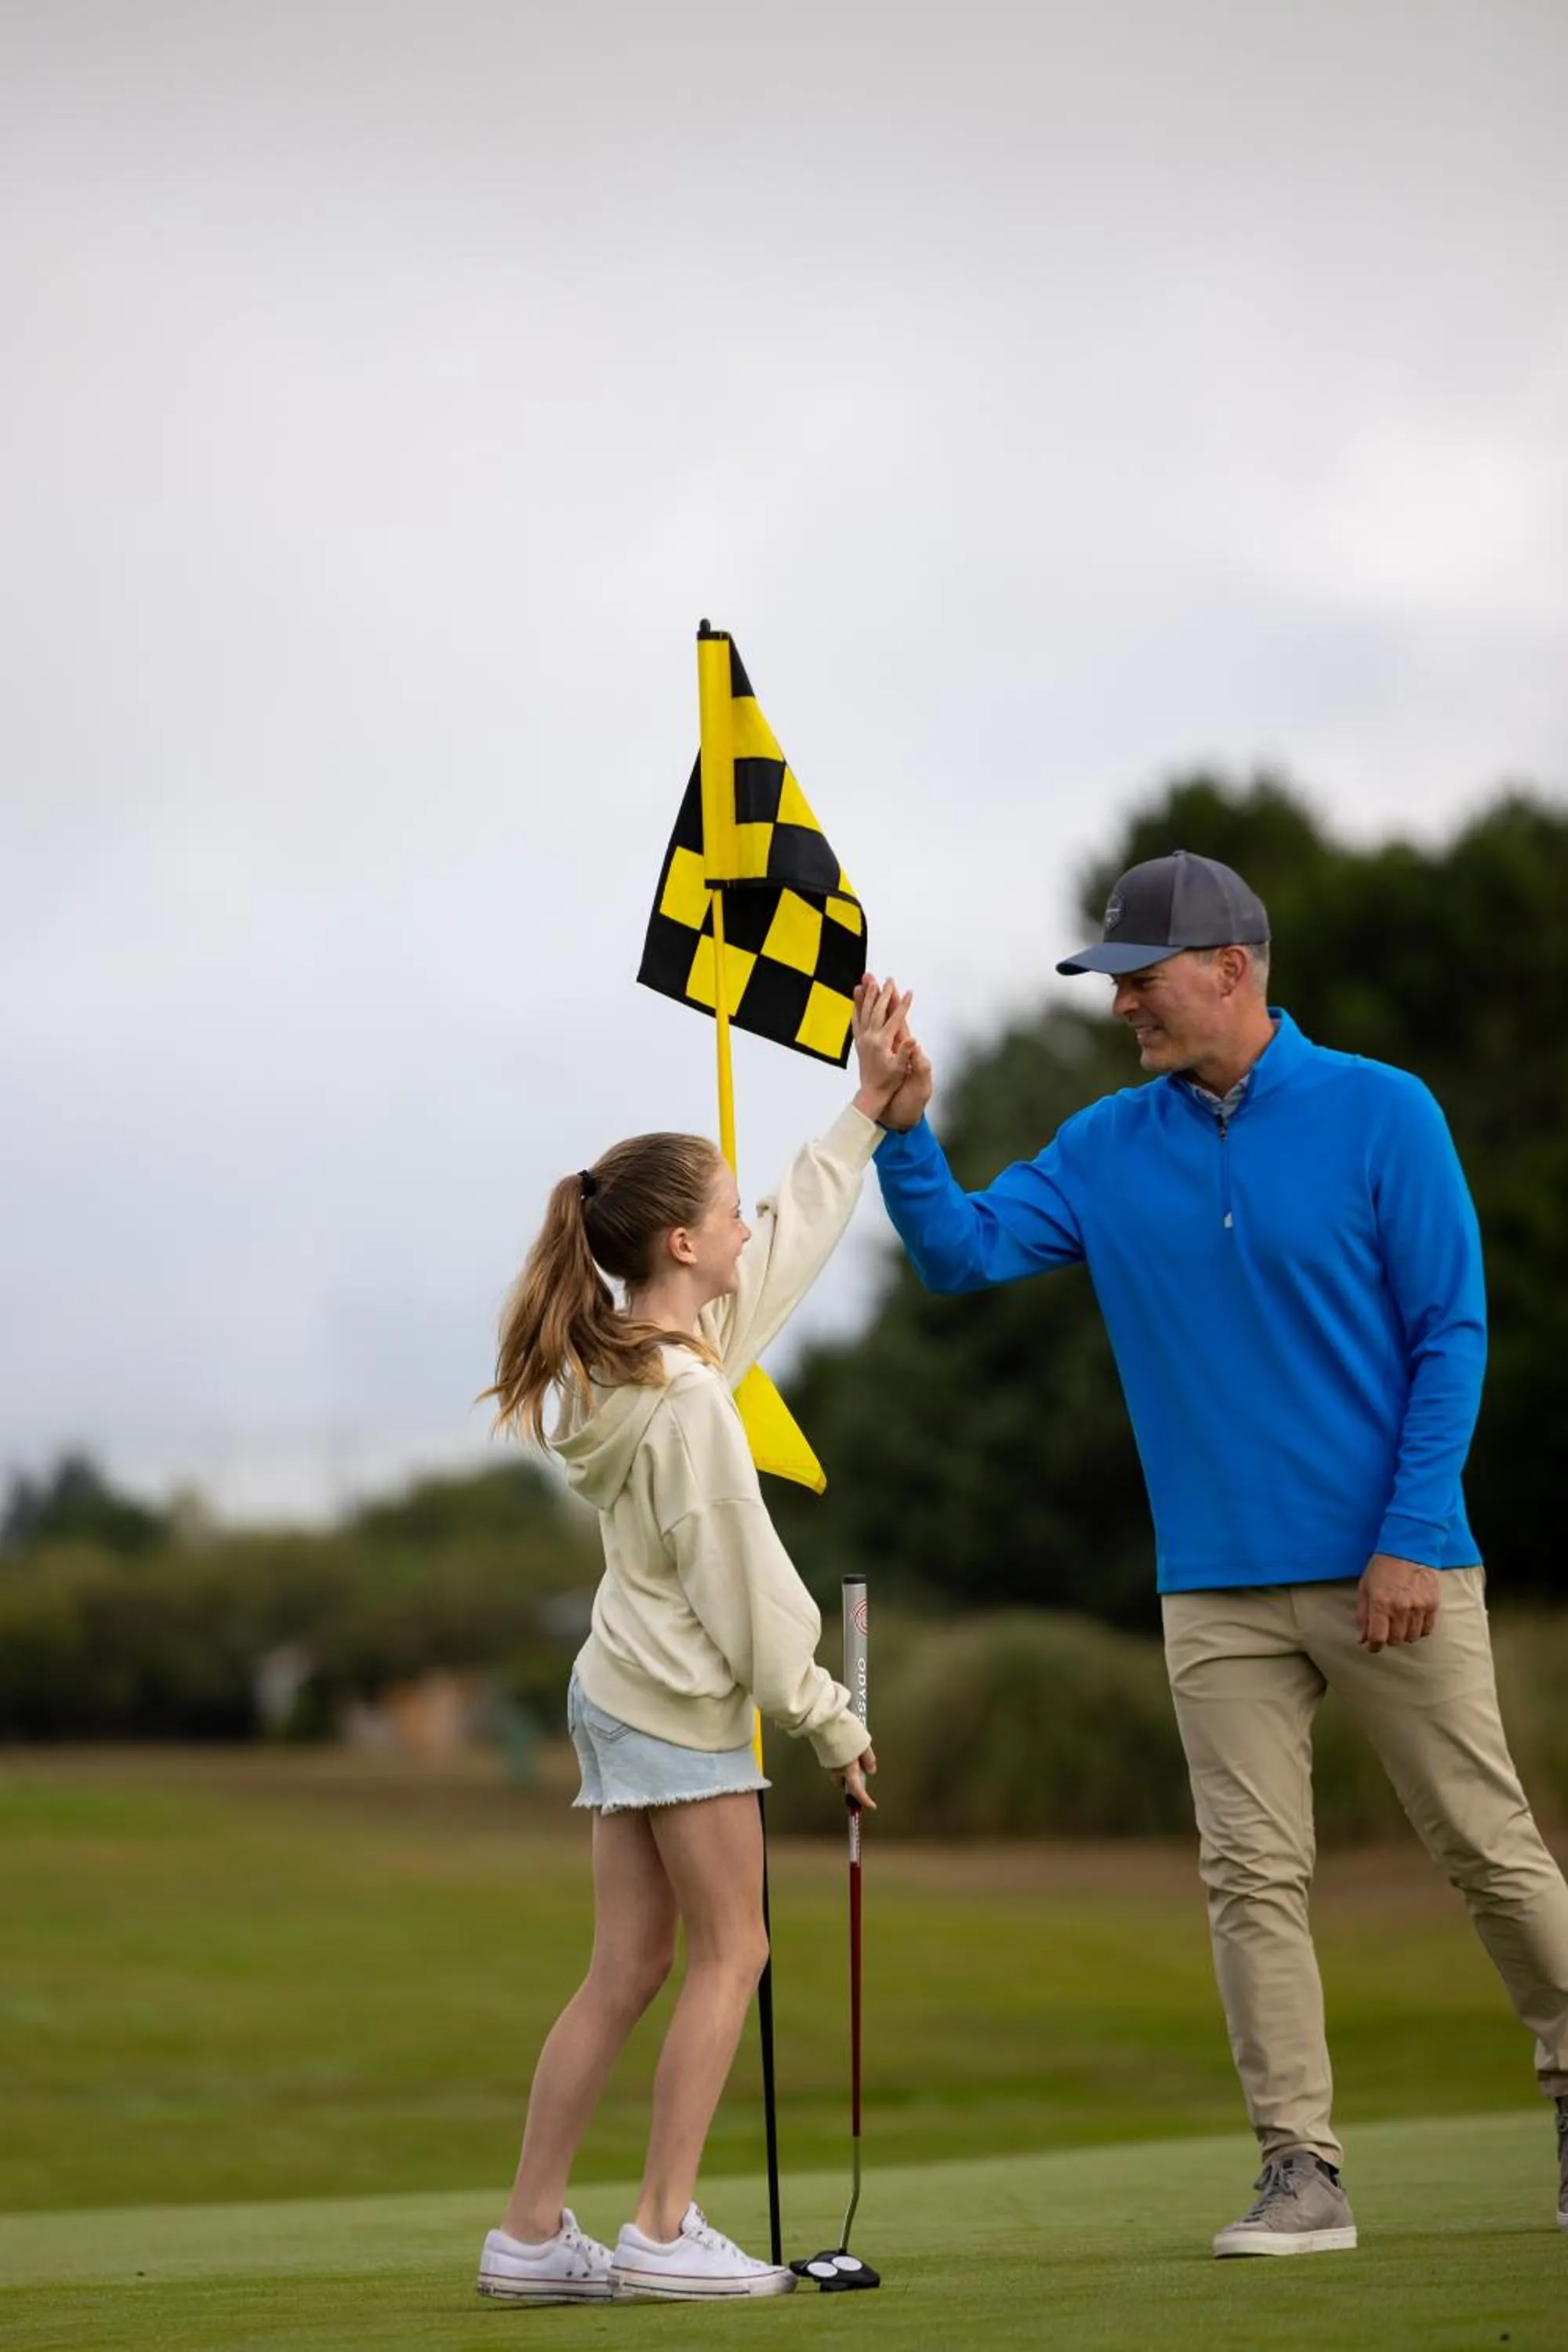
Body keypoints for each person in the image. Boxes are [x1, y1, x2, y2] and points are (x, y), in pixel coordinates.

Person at [862, 848, 1568, 2256]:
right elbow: (963, 1253)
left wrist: (1415, 1535)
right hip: (1215, 1585)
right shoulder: (1107, 1145)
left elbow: (1453, 1336)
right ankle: (1300, 2170)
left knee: (1488, 1852)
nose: (1125, 1006)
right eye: (1117, 983)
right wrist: (905, 1131)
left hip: (1398, 1570)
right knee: (1251, 1878)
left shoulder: (1385, 1113)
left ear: (1232, 970)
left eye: (1143, 979)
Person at [472, 982, 913, 2305]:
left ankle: (532, 2235)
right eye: (727, 1214)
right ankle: (662, 2229)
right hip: (675, 1705)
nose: (745, 1230)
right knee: (732, 1952)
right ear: (679, 1243)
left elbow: (786, 1246)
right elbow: (751, 1589)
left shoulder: (634, 1362)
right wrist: (832, 1716)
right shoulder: (691, 1406)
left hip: (617, 1692)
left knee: (628, 1967)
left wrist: (865, 1115)